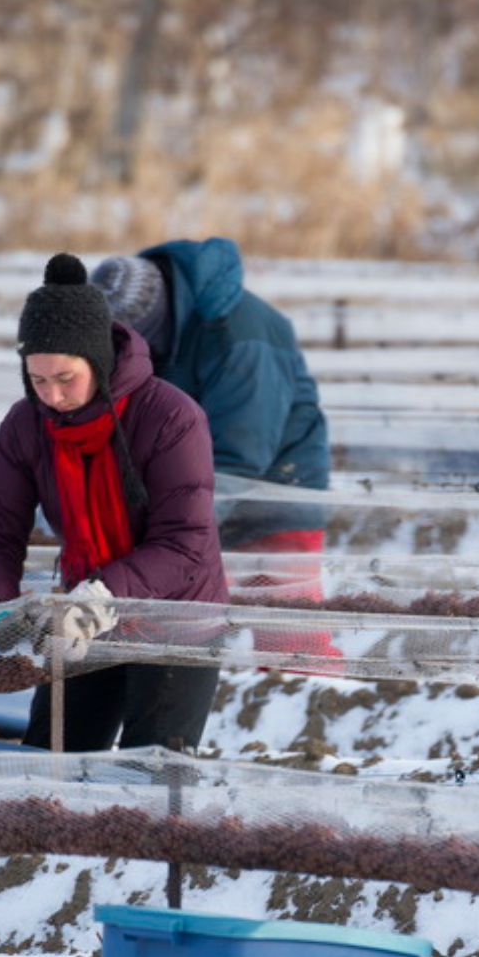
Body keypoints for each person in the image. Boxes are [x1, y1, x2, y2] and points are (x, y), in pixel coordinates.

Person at [0, 252, 228, 753]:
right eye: (37, 380)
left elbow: (184, 542)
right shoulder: (27, 425)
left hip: (176, 619)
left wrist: (100, 598)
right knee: (52, 757)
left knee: (153, 772)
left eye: (65, 379)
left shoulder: (169, 417)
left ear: (98, 361)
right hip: (81, 612)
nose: (52, 396)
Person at [89, 237, 337, 663]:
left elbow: (242, 452)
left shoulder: (240, 336)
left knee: (288, 633)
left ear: (153, 323)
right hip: (191, 494)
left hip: (273, 492)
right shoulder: (156, 344)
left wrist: (169, 529)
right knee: (176, 628)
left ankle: (310, 712)